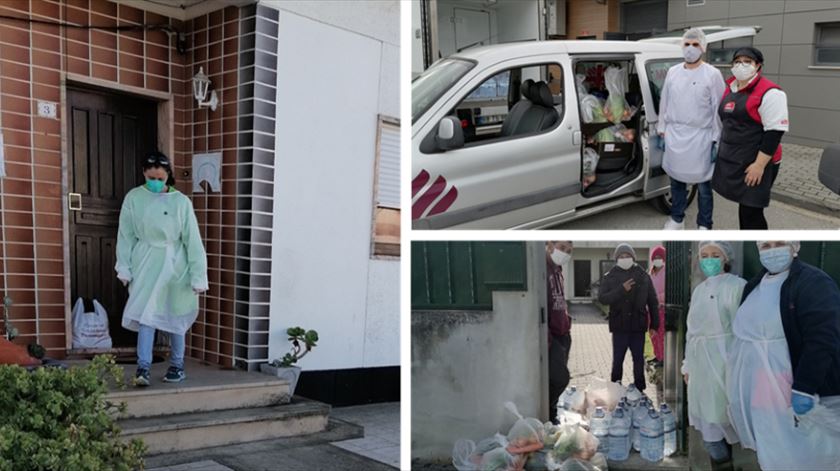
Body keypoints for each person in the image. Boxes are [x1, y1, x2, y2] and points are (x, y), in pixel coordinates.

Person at [726, 241, 840, 470]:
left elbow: (823, 337)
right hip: (763, 392)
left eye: (779, 243)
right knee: (772, 452)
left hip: (799, 392)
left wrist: (804, 387)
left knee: (808, 455)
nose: (772, 250)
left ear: (794, 246)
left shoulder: (813, 282)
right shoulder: (754, 285)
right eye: (766, 245)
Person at [115, 151, 209, 386]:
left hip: (175, 265)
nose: (155, 182)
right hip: (146, 262)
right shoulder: (134, 198)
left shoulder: (181, 202)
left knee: (176, 315)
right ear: (144, 174)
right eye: (150, 177)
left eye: (159, 177)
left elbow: (193, 241)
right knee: (147, 315)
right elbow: (125, 235)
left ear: (168, 176)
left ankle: (177, 365)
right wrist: (124, 267)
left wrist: (199, 276)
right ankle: (143, 368)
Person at [682, 241, 746, 470]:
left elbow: (743, 329)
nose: (709, 259)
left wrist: (738, 365)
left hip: (724, 362)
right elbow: (692, 331)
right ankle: (722, 464)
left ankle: (725, 463)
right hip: (700, 365)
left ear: (725, 258)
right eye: (704, 255)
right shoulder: (699, 290)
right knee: (708, 426)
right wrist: (687, 365)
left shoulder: (737, 286)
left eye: (715, 254)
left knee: (722, 421)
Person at [712, 48, 789, 230]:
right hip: (736, 157)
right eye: (737, 61)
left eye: (748, 61)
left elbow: (774, 133)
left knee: (751, 212)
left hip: (759, 160)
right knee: (745, 209)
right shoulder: (730, 87)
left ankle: (758, 243)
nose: (741, 65)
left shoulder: (771, 93)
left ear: (758, 66)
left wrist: (759, 166)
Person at [658, 28, 726, 230]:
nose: (690, 48)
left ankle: (704, 223)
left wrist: (717, 137)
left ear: (703, 47)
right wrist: (663, 128)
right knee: (676, 181)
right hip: (676, 134)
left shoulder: (712, 74)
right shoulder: (673, 72)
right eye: (687, 44)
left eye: (695, 44)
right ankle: (677, 218)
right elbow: (665, 102)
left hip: (701, 136)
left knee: (704, 185)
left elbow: (718, 108)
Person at [597, 243, 659, 391]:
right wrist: (621, 289)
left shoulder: (643, 275)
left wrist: (654, 325)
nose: (625, 258)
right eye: (621, 256)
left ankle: (640, 389)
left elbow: (652, 301)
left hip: (638, 325)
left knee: (638, 360)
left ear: (633, 257)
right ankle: (615, 388)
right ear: (616, 259)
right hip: (619, 326)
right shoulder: (610, 276)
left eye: (628, 256)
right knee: (617, 360)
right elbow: (602, 298)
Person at [546, 241, 573, 422]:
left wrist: (567, 319)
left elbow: (559, 300)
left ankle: (552, 414)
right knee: (560, 378)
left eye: (568, 251)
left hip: (563, 333)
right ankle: (546, 411)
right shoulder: (543, 270)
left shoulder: (557, 270)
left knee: (557, 378)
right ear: (549, 245)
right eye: (562, 248)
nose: (565, 253)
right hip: (551, 335)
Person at [647, 245, 666, 368]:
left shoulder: (667, 272)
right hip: (650, 309)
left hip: (661, 308)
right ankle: (656, 355)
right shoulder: (650, 273)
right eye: (655, 257)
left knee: (661, 333)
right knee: (652, 334)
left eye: (659, 257)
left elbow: (669, 291)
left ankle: (663, 357)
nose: (657, 259)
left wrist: (657, 298)